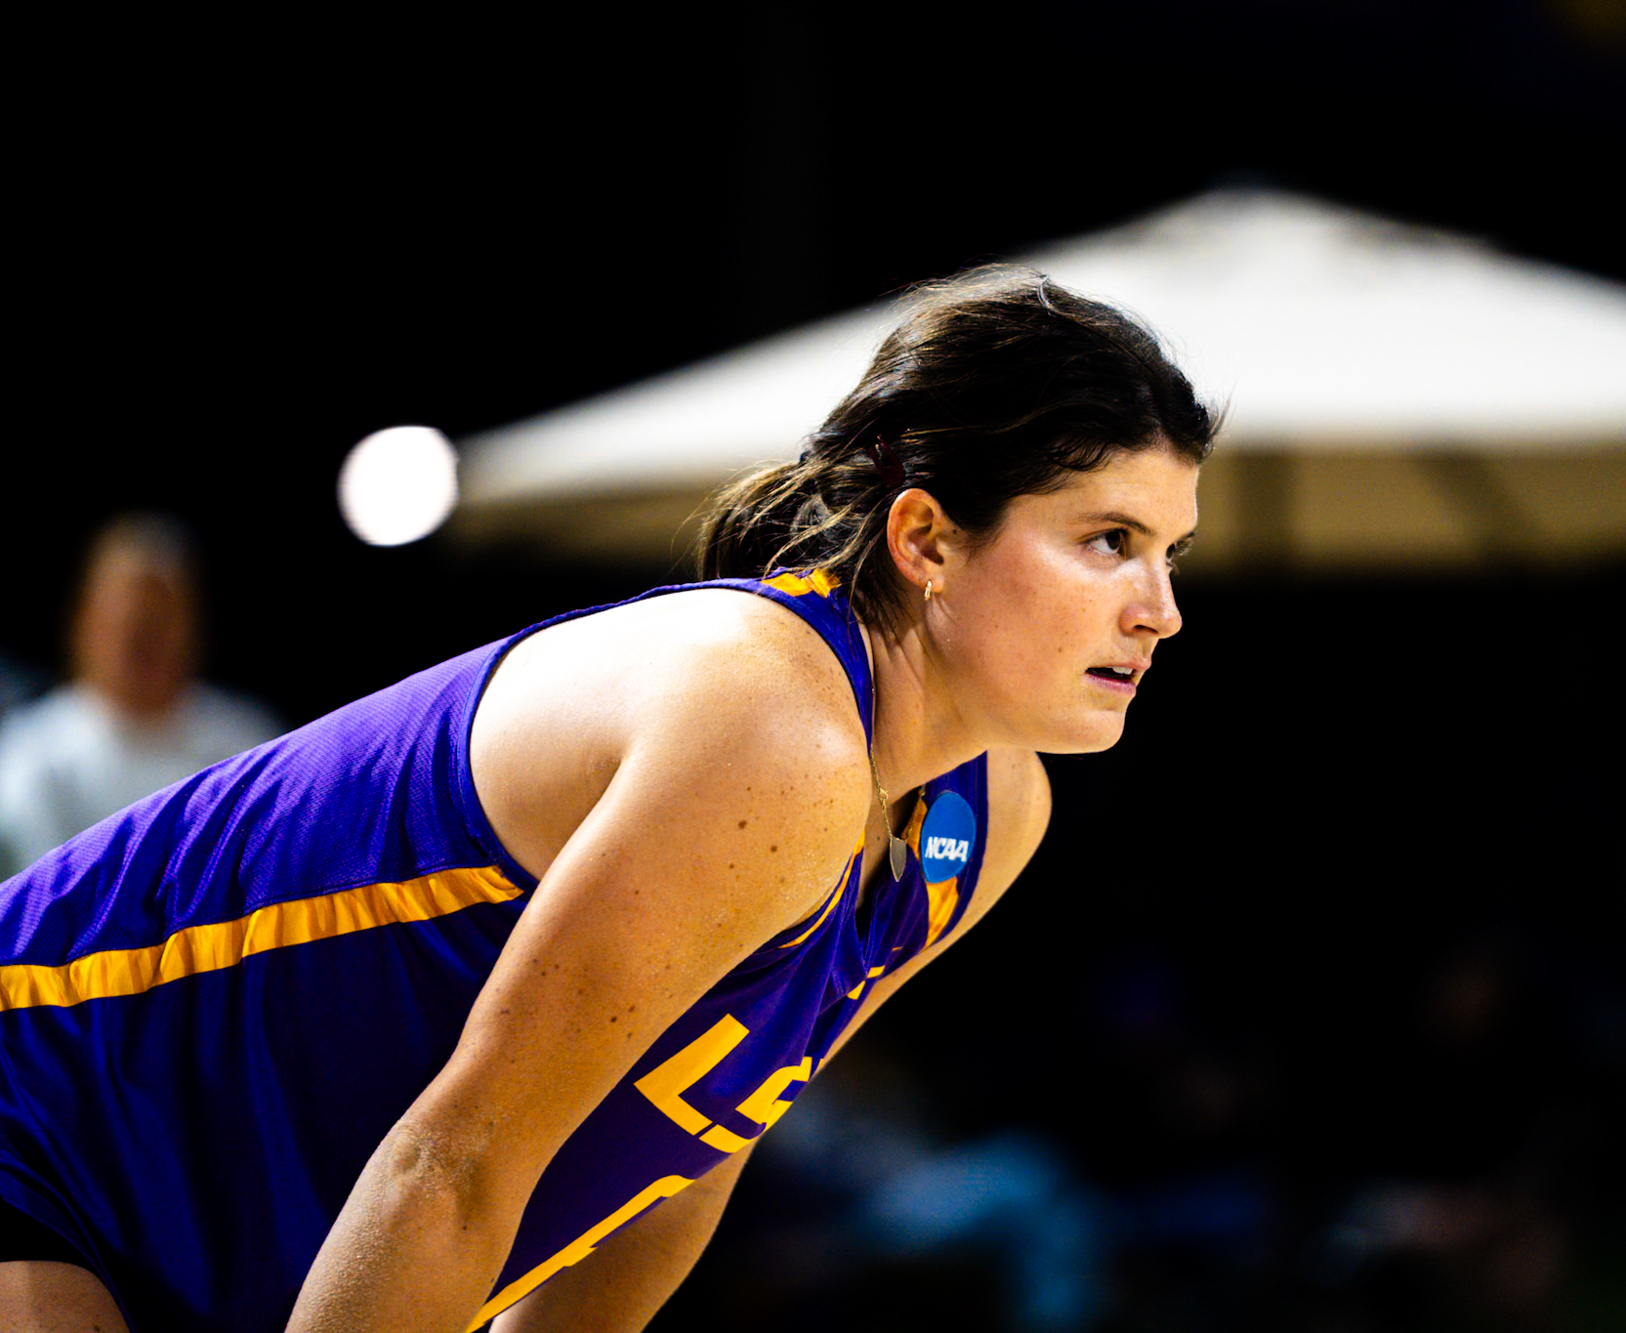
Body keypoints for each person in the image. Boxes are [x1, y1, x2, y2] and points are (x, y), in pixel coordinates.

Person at [0, 267, 1213, 1333]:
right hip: (40, 1110)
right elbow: (457, 1162)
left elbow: (689, 1149)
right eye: (1107, 539)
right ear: (926, 538)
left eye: (1170, 551)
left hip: (232, 1213)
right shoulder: (776, 728)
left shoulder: (989, 813)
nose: (1157, 607)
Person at [0, 513, 281, 877]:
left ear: (194, 625)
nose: (143, 639)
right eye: (126, 620)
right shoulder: (27, 755)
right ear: (83, 622)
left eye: (161, 620)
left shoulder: (250, 745)